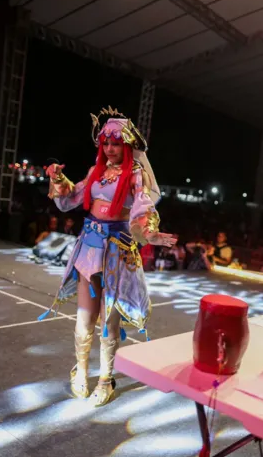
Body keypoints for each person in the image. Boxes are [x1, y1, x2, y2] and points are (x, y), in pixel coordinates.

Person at [43, 108, 176, 407]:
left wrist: (151, 233)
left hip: (117, 252)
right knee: (83, 321)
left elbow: (143, 210)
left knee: (108, 323)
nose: (110, 148)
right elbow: (71, 197)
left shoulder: (135, 175)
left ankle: (106, 378)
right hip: (89, 249)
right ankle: (80, 370)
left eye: (116, 143)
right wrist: (59, 176)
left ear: (127, 146)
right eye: (106, 143)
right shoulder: (95, 173)